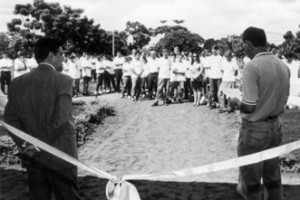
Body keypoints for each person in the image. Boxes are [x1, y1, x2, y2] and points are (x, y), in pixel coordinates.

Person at [4, 37, 83, 200]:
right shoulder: (64, 80)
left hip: (33, 157)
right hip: (61, 154)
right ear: (51, 55)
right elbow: (60, 119)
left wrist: (28, 145)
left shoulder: (17, 83)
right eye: (61, 53)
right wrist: (39, 145)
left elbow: (10, 120)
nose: (63, 58)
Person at [237, 27, 290, 200]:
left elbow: (249, 106)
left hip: (255, 129)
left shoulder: (252, 67)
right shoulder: (283, 65)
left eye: (243, 44)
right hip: (275, 127)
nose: (243, 48)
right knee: (273, 180)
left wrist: (235, 102)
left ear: (248, 44)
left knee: (250, 185)